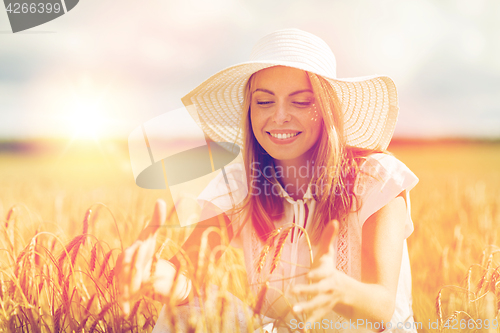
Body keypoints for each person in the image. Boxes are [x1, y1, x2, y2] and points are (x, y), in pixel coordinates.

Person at [116, 28, 419, 332]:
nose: (280, 116)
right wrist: (162, 277)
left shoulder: (375, 179)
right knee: (182, 314)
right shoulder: (239, 187)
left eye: (300, 102)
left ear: (328, 110)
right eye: (264, 102)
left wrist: (338, 289)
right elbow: (188, 273)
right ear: (250, 111)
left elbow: (381, 306)